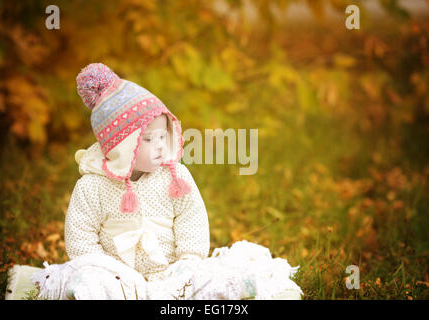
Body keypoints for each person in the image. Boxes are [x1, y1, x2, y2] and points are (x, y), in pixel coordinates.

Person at [28, 63, 303, 300]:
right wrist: (103, 268)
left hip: (171, 272)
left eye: (163, 135)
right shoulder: (92, 186)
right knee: (87, 283)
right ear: (121, 146)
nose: (160, 146)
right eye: (148, 139)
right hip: (116, 278)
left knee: (204, 279)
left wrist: (189, 258)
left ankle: (255, 286)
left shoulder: (175, 177)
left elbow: (190, 216)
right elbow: (80, 234)